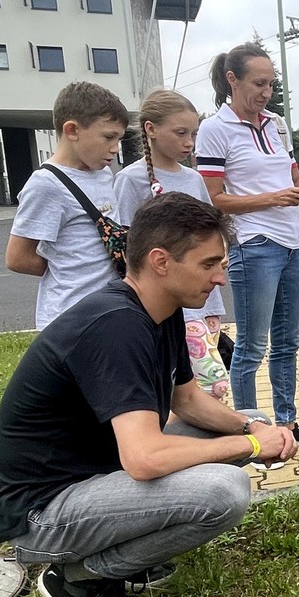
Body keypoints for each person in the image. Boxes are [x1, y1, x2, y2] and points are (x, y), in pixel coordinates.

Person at [0, 192, 297, 597]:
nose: (220, 278)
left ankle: (126, 549)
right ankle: (80, 577)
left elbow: (189, 402)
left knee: (247, 416)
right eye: (209, 264)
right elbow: (144, 459)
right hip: (43, 514)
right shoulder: (116, 325)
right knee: (224, 490)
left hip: (95, 475)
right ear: (160, 261)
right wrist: (252, 447)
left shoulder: (162, 309)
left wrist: (252, 428)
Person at [195, 42, 299, 448]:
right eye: (259, 83)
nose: (266, 92)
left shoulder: (276, 123)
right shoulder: (214, 129)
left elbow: (292, 177)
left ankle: (287, 425)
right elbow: (215, 199)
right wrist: (274, 198)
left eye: (271, 84)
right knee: (251, 346)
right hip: (253, 244)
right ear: (231, 80)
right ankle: (250, 432)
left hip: (291, 241)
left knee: (288, 341)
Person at [114, 89, 230, 399]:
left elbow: (212, 230)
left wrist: (221, 256)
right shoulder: (130, 180)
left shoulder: (193, 179)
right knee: (212, 385)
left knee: (197, 389)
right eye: (180, 133)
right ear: (150, 129)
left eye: (193, 133)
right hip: (167, 304)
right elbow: (128, 248)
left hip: (205, 300)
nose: (189, 142)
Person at [5, 82, 129, 330]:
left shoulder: (104, 175)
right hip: (70, 317)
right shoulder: (46, 184)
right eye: (108, 137)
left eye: (119, 139)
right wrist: (67, 270)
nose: (115, 148)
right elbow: (17, 257)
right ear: (72, 130)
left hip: (110, 309)